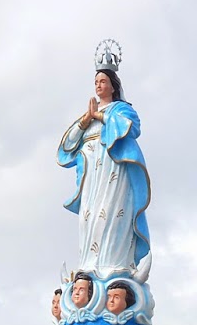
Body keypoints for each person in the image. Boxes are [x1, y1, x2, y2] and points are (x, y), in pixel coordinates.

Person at [57, 53, 151, 281]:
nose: (99, 86)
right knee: (89, 218)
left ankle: (115, 267)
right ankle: (89, 268)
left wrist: (100, 115)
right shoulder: (87, 117)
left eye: (103, 82)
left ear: (112, 86)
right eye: (96, 82)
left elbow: (132, 127)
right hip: (91, 178)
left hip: (114, 175)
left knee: (111, 215)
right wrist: (85, 121)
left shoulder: (120, 110)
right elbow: (66, 147)